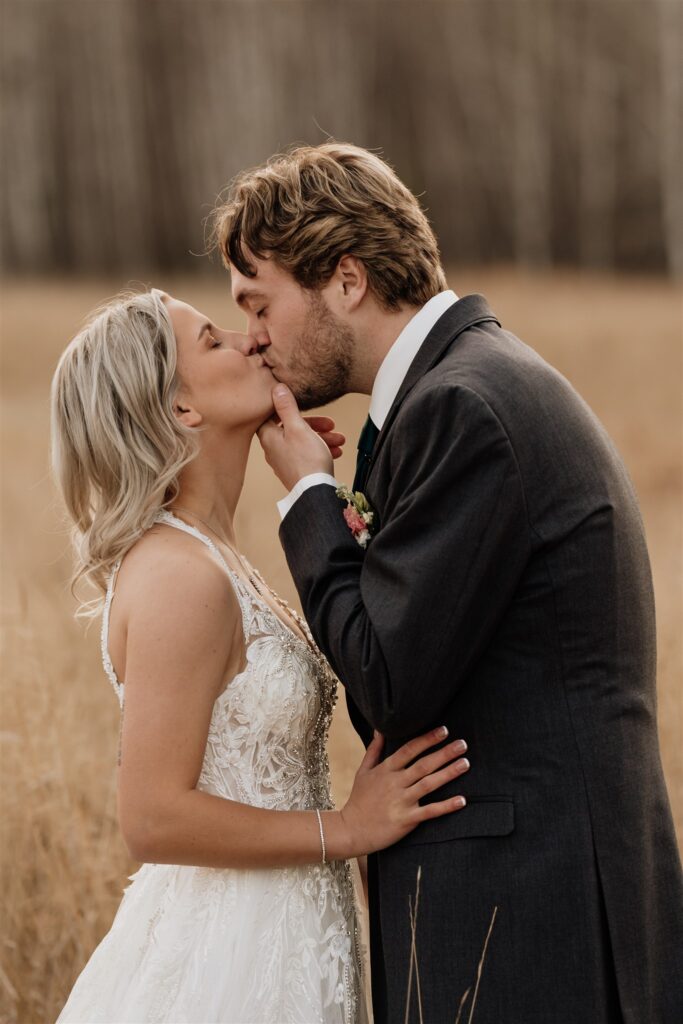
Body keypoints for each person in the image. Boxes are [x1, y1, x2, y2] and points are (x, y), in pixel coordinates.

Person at [212, 142, 683, 1023]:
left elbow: (392, 680)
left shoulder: (461, 406)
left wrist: (311, 498)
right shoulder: (460, 389)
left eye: (258, 301)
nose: (249, 337)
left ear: (345, 279)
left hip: (531, 928)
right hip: (534, 909)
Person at [50, 288, 472, 1024]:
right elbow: (150, 817)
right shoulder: (182, 576)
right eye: (213, 341)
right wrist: (344, 830)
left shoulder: (215, 556)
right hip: (228, 967)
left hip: (291, 934)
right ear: (182, 410)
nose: (248, 340)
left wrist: (312, 489)